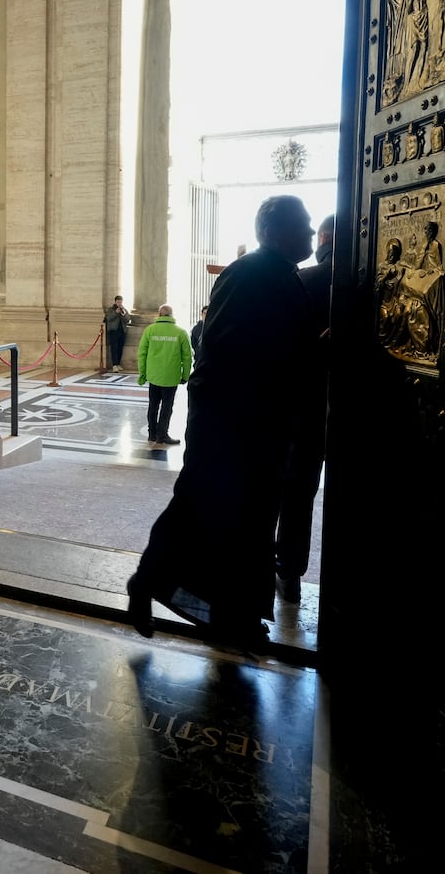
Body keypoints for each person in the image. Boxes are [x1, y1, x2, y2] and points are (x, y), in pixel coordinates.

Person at [125, 195, 317, 653]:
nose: (311, 235)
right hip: (233, 426)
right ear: (273, 231)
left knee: (248, 524)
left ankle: (236, 616)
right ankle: (150, 582)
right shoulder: (250, 272)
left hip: (257, 425)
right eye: (303, 226)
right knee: (204, 511)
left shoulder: (278, 273)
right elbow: (228, 347)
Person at [275, 213, 334, 602]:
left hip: (304, 411)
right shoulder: (376, 285)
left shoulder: (303, 281)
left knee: (296, 494)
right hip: (369, 414)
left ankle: (290, 574)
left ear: (324, 238)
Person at [137, 303, 191, 446]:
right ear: (172, 315)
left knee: (153, 405)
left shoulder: (150, 330)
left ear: (159, 314)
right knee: (167, 407)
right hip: (171, 377)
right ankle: (162, 435)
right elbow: (187, 357)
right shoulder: (180, 332)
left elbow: (142, 353)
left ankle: (151, 434)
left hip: (153, 376)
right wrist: (185, 375)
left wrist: (142, 373)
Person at [103, 295, 130, 370]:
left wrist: (123, 314)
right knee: (114, 348)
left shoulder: (124, 309)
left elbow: (128, 319)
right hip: (114, 331)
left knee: (120, 348)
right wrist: (115, 312)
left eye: (120, 302)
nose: (119, 303)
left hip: (122, 331)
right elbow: (108, 318)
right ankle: (114, 365)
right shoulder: (111, 309)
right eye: (118, 302)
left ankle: (118, 364)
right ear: (115, 302)